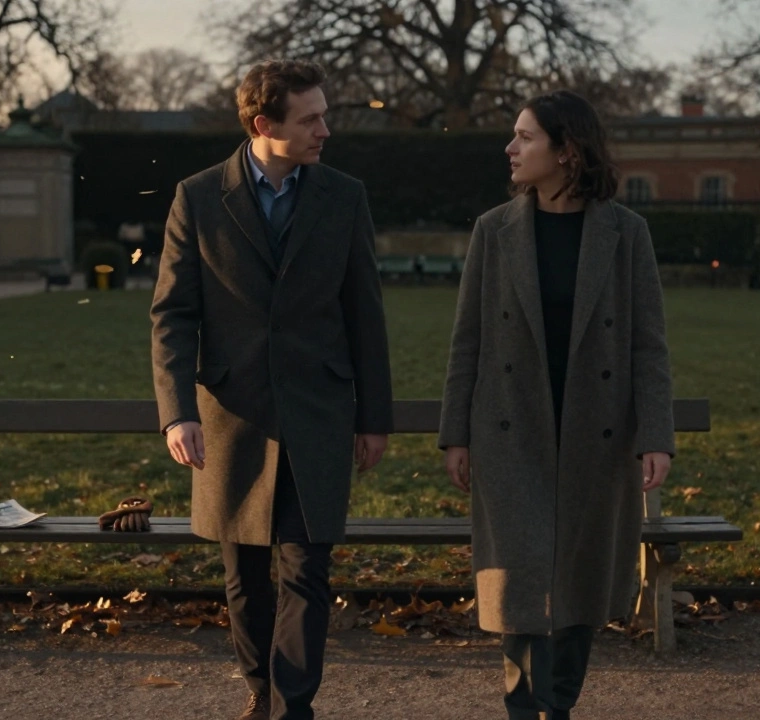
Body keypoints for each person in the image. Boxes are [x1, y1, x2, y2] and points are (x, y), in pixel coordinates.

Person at [149, 59, 393, 720]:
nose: (325, 130)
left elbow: (364, 312)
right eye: (310, 118)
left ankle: (292, 709)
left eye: (324, 114)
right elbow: (173, 315)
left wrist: (374, 416)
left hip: (319, 410)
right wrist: (176, 414)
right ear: (264, 125)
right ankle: (263, 694)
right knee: (245, 581)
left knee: (308, 571)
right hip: (232, 414)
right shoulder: (198, 197)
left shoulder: (343, 197)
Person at [438, 90, 675, 720]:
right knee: (517, 582)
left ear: (566, 151)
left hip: (595, 432)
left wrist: (656, 434)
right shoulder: (494, 230)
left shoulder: (626, 234)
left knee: (580, 577)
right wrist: (454, 433)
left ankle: (559, 704)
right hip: (510, 429)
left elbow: (649, 344)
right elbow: (469, 339)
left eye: (525, 137)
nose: (510, 148)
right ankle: (523, 708)